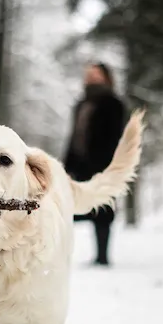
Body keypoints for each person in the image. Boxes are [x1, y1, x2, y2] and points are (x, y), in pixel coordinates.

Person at [63, 62, 127, 266]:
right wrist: (66, 165)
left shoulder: (114, 104)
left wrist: (109, 165)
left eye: (96, 74)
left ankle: (102, 257)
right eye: (88, 74)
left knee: (103, 209)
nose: (91, 78)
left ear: (106, 77)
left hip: (103, 164)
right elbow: (75, 136)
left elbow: (116, 137)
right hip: (79, 164)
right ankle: (60, 254)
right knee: (69, 206)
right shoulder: (81, 104)